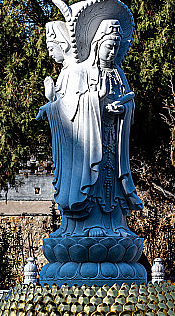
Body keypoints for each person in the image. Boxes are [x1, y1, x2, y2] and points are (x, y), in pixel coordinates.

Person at [37, 18, 142, 237]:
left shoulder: (118, 74)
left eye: (116, 47)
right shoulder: (82, 71)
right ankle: (85, 225)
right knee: (92, 181)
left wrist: (123, 109)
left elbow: (129, 102)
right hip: (90, 145)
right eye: (108, 46)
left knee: (111, 185)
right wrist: (93, 101)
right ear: (97, 45)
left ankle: (115, 224)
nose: (112, 52)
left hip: (113, 143)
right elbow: (69, 110)